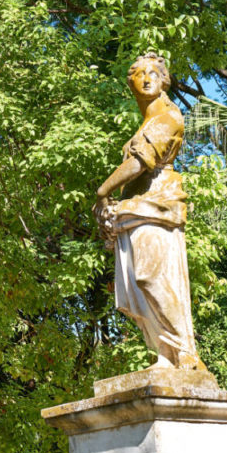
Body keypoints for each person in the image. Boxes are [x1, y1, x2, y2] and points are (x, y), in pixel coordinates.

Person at [94, 53, 206, 371]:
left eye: (152, 73)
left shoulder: (168, 117)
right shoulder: (147, 121)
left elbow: (139, 162)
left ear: (163, 80)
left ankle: (185, 352)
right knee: (137, 283)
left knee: (152, 276)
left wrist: (103, 192)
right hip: (137, 205)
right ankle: (165, 353)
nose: (146, 79)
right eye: (139, 74)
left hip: (157, 203)